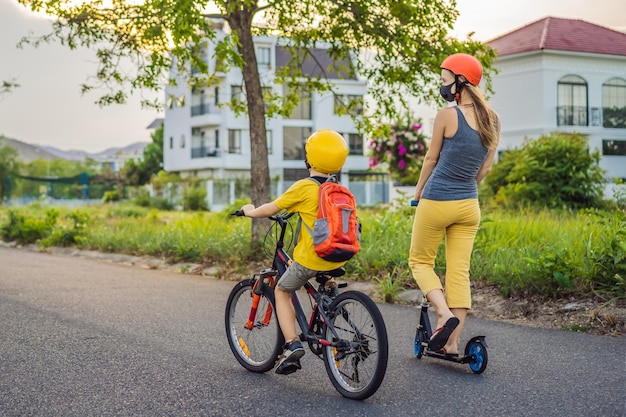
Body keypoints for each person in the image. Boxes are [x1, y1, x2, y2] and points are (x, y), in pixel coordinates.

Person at [408, 53, 500, 356]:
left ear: (460, 81)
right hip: (468, 205)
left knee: (420, 262)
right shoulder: (493, 119)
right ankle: (452, 343)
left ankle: (443, 315)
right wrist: (464, 185)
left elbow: (431, 159)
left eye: (446, 78)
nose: (442, 84)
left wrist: (419, 192)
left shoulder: (448, 115)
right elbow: (484, 171)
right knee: (459, 272)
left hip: (437, 200)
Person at [240, 129, 348, 375]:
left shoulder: (304, 187)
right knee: (322, 275)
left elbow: (271, 208)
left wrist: (249, 211)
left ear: (309, 158)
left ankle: (292, 345)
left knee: (282, 290)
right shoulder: (337, 189)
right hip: (340, 254)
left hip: (313, 258)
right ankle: (330, 293)